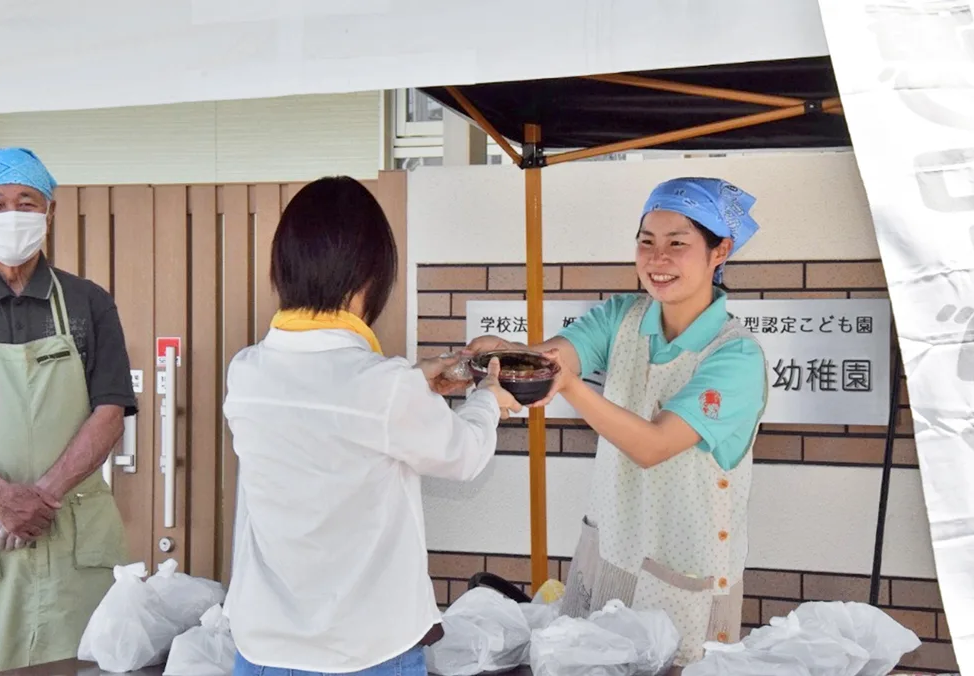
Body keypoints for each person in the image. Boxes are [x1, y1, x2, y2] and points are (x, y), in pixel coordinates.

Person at [222, 176, 522, 676]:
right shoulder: (384, 389)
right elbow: (465, 454)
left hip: (263, 645)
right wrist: (488, 397)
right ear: (370, 278)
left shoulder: (247, 373)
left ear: (284, 268)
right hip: (366, 652)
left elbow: (336, 406)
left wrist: (415, 379)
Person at [468, 177, 768, 666]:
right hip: (611, 555)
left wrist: (568, 384)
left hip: (684, 581)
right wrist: (504, 355)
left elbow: (653, 446)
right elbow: (553, 358)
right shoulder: (622, 316)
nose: (657, 259)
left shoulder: (735, 356)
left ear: (721, 252)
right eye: (646, 242)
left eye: (678, 244)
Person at [0, 147, 135, 672]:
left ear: (49, 212)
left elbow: (110, 407)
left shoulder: (89, 302)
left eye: (26, 201)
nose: (11, 214)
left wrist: (42, 495)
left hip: (72, 528)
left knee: (81, 661)